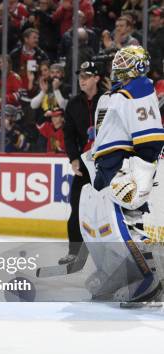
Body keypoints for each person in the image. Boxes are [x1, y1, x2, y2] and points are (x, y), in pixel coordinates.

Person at [79, 45, 164, 305]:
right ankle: (113, 273)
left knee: (121, 226)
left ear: (137, 65)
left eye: (125, 61)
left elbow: (150, 138)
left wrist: (141, 173)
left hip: (122, 166)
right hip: (106, 167)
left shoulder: (138, 88)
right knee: (93, 220)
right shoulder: (118, 93)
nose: (118, 65)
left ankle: (147, 276)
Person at [60, 61, 105, 265]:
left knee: (108, 209)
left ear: (96, 78)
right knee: (77, 205)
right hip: (85, 163)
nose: (82, 80)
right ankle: (75, 251)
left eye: (87, 76)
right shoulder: (73, 104)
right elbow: (68, 135)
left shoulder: (109, 99)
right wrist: (74, 158)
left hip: (108, 162)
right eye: (80, 76)